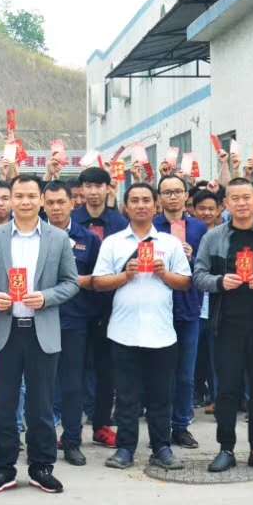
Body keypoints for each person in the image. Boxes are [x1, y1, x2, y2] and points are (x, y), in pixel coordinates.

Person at [0, 174, 80, 495]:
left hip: (41, 330)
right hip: (6, 330)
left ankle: (41, 466)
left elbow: (71, 282)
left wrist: (46, 297)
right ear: (11, 199)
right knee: (5, 405)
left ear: (41, 200)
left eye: (31, 196)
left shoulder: (57, 238)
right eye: (18, 196)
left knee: (41, 404)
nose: (24, 202)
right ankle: (3, 468)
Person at [192, 178, 253, 473]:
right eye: (235, 198)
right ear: (225, 204)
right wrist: (220, 282)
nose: (242, 203)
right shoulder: (213, 237)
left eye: (247, 197)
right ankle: (226, 448)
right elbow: (198, 276)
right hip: (225, 325)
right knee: (227, 390)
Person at [90, 181, 191, 470]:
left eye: (146, 200)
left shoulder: (169, 243)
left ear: (155, 205)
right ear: (126, 207)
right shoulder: (113, 243)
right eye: (134, 200)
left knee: (161, 395)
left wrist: (164, 274)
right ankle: (125, 448)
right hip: (123, 332)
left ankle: (162, 447)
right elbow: (98, 282)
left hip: (161, 333)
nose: (141, 205)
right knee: (126, 396)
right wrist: (125, 276)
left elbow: (185, 282)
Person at [42, 181, 99, 467]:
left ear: (72, 203)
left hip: (75, 321)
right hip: (40, 318)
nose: (56, 208)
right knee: (42, 384)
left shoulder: (88, 239)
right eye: (50, 203)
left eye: (60, 202)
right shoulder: (34, 236)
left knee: (72, 384)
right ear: (43, 204)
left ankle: (72, 441)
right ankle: (43, 440)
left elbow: (99, 279)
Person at [73, 165, 128, 449]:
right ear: (81, 190)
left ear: (108, 189)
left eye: (99, 186)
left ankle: (102, 425)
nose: (93, 192)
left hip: (110, 306)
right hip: (76, 306)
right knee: (74, 369)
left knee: (107, 369)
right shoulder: (71, 221)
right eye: (88, 186)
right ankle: (71, 427)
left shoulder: (120, 223)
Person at [152, 173, 208, 449]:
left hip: (188, 308)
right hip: (156, 309)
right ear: (159, 197)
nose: (172, 196)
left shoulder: (199, 228)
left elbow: (208, 268)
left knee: (185, 374)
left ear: (186, 196)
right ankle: (158, 427)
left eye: (177, 191)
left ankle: (181, 426)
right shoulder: (151, 227)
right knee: (158, 374)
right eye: (167, 192)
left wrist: (192, 256)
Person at [188, 186, 222, 410]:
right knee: (194, 356)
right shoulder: (187, 234)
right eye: (202, 208)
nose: (206, 213)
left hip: (217, 304)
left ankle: (218, 398)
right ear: (193, 209)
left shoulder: (224, 235)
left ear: (219, 210)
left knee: (216, 356)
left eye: (211, 208)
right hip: (195, 305)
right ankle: (195, 395)